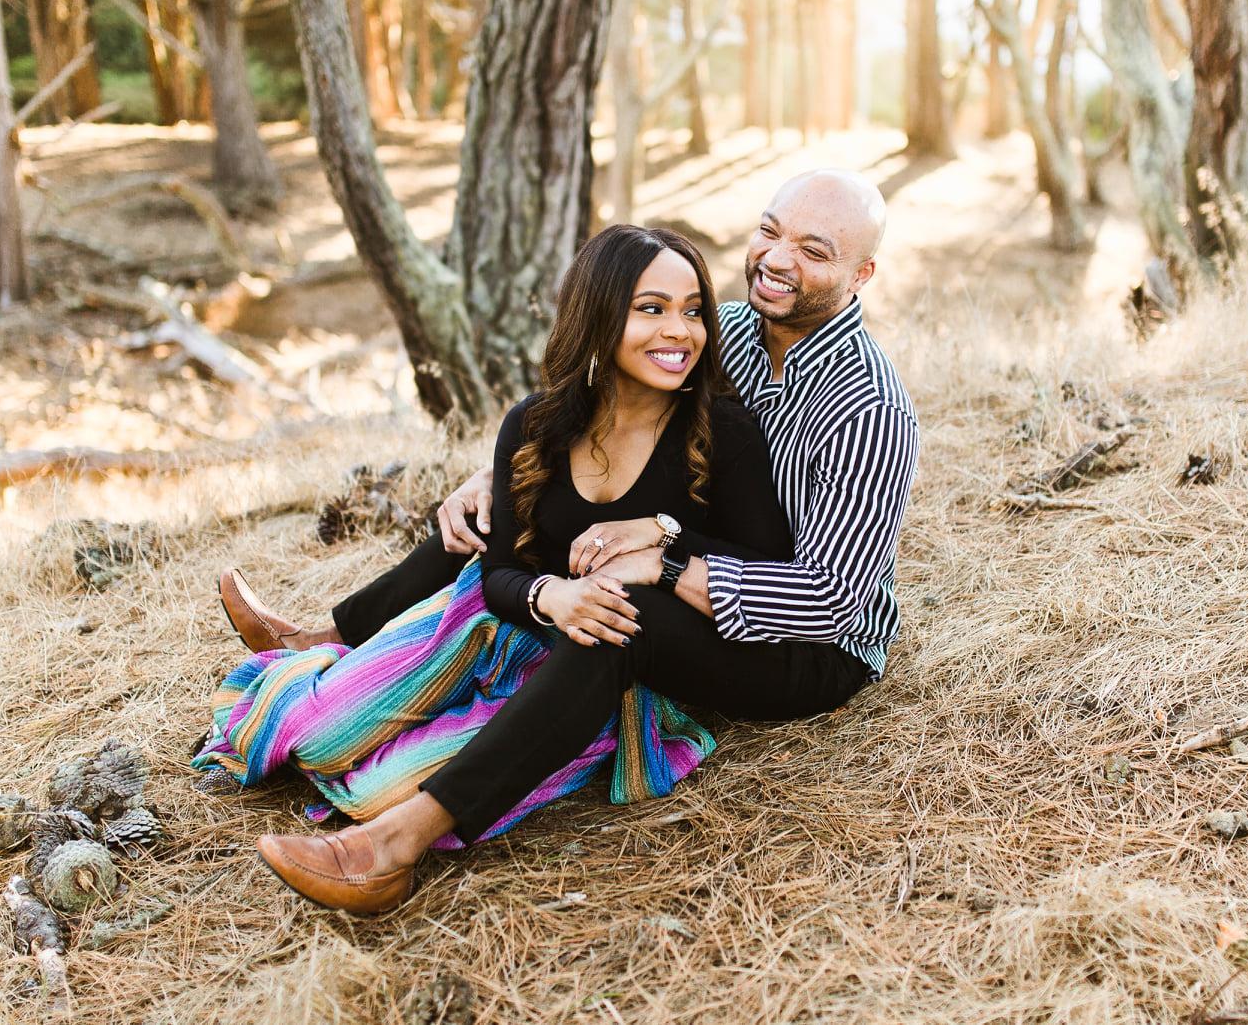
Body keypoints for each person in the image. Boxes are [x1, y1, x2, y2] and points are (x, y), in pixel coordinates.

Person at [223, 170, 919, 914]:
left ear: (861, 274)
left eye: (813, 250)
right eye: (770, 231)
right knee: (519, 513)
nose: (777, 259)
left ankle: (393, 846)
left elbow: (832, 602)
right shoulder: (732, 329)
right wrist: (514, 472)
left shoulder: (868, 407)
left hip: (807, 643)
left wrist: (667, 559)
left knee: (620, 616)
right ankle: (326, 637)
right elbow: (625, 398)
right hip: (712, 546)